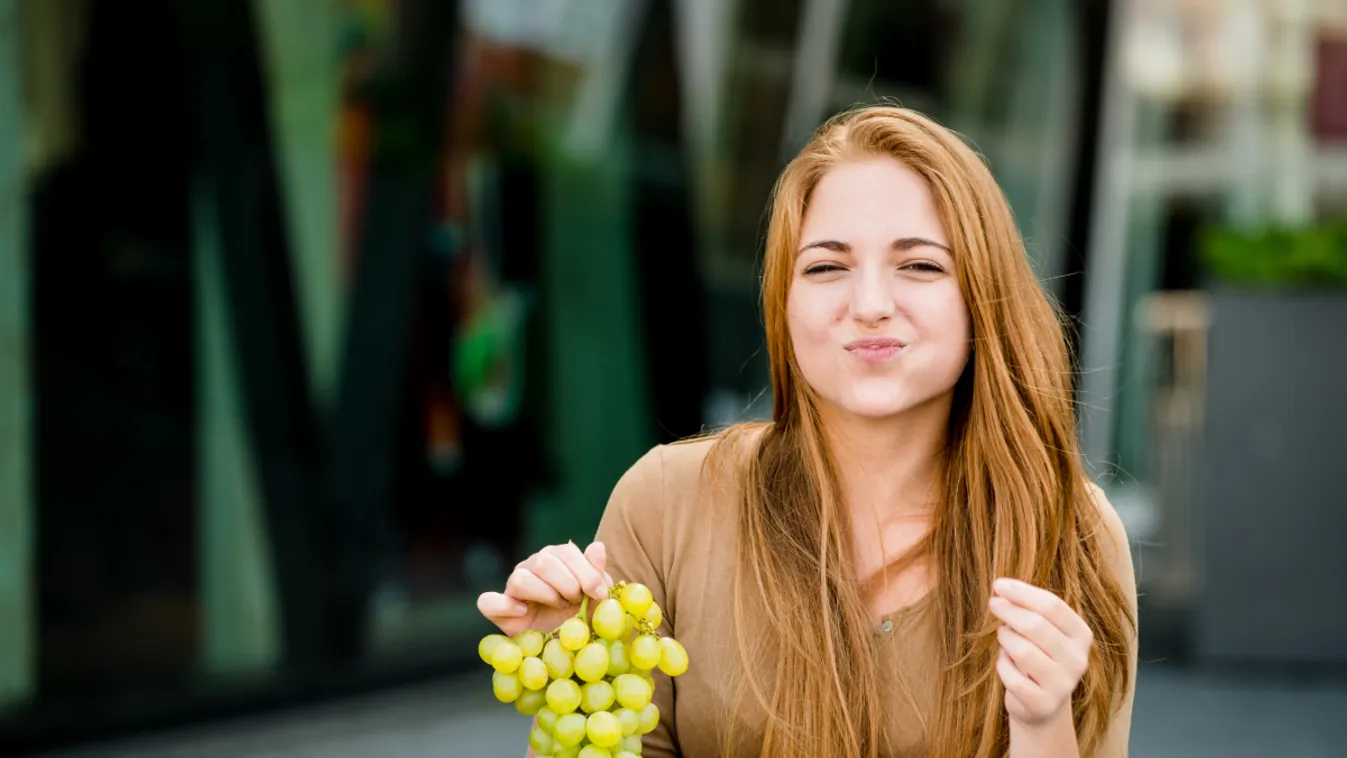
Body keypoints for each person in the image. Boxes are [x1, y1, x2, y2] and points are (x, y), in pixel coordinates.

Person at [477, 105, 1137, 758]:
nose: (870, 305)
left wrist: (1042, 722)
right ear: (782, 304)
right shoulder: (665, 504)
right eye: (826, 268)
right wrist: (582, 676)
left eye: (919, 265)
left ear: (981, 296)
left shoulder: (1068, 532)